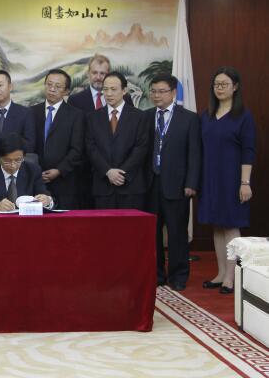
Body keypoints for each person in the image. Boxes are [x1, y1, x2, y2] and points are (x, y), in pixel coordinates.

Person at [199, 67, 255, 295]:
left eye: (224, 84)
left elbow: (248, 151)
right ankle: (221, 273)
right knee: (217, 225)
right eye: (216, 84)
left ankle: (231, 277)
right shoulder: (206, 115)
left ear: (236, 87)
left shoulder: (243, 116)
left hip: (233, 179)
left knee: (231, 225)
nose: (220, 88)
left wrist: (245, 182)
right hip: (210, 178)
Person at [145, 74, 201, 291]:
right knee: (153, 234)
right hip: (151, 184)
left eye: (162, 91)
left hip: (178, 185)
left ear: (174, 93)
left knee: (177, 233)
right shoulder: (145, 117)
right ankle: (157, 274)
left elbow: (195, 153)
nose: (156, 95)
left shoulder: (189, 118)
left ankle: (179, 276)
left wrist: (191, 183)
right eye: (153, 91)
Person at [68, 53, 132, 209]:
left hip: (117, 172)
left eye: (102, 73)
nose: (98, 77)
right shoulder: (75, 100)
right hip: (86, 170)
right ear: (88, 73)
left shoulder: (125, 99)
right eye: (94, 72)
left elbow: (128, 133)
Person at [85, 72, 149, 210]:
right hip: (103, 186)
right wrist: (108, 171)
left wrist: (122, 173)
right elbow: (90, 147)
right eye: (105, 89)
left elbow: (141, 148)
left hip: (131, 186)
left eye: (113, 89)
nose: (108, 94)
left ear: (124, 90)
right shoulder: (92, 117)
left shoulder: (139, 117)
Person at [31, 69, 84, 210]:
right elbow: (28, 144)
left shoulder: (76, 115)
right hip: (36, 179)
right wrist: (35, 170)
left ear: (66, 91)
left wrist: (59, 170)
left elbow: (77, 149)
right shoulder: (31, 112)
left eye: (58, 86)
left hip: (64, 180)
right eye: (49, 84)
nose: (52, 89)